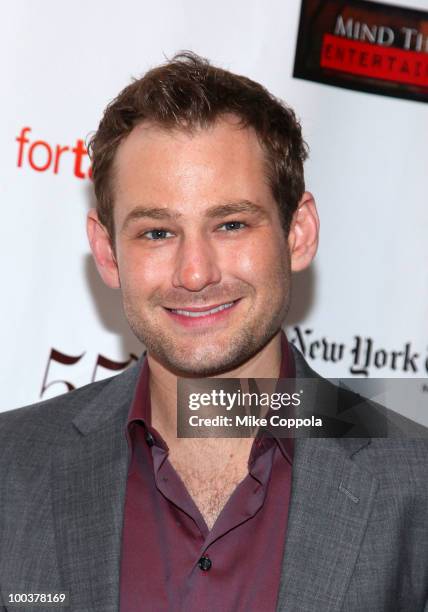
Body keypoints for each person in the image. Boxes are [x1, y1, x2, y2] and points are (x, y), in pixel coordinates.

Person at [0, 52, 427, 612]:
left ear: (298, 234)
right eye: (157, 232)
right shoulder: (11, 468)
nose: (195, 272)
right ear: (107, 251)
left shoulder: (413, 479)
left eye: (230, 224)